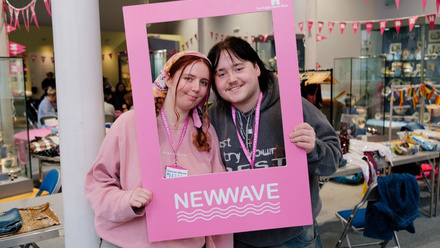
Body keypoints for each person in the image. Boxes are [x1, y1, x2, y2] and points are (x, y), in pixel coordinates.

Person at [85, 51, 232, 248]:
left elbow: (218, 196)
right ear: (168, 78)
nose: (196, 88)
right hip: (128, 243)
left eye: (204, 82)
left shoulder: (205, 131)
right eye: (188, 78)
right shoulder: (131, 123)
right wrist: (126, 200)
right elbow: (97, 182)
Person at [207, 36, 342, 248]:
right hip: (239, 237)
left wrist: (314, 148)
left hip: (293, 236)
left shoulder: (294, 107)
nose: (231, 78)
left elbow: (332, 162)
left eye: (238, 68)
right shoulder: (210, 119)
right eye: (221, 74)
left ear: (257, 68)